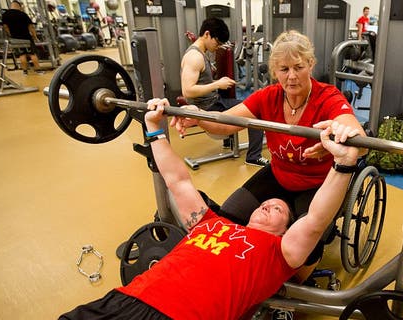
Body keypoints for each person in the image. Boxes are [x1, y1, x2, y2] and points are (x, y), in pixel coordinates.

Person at [59, 98, 361, 320]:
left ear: (285, 230)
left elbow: (317, 220)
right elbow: (177, 181)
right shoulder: (209, 222)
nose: (267, 205)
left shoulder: (279, 253)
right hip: (126, 299)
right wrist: (154, 129)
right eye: (267, 203)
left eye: (278, 210)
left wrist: (344, 164)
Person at [173, 30, 365, 262]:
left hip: (316, 183)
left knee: (310, 247)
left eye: (298, 67)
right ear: (275, 71)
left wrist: (344, 134)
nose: (292, 76)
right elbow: (224, 125)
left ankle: (294, 289)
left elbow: (359, 141)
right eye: (284, 69)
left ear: (311, 65)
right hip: (279, 174)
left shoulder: (327, 97)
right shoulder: (268, 96)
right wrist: (199, 116)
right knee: (228, 217)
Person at [181, 17, 268, 167]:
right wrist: (217, 85)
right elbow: (187, 91)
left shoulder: (201, 52)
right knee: (255, 111)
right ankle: (253, 156)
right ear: (207, 34)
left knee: (248, 104)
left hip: (214, 101)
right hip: (208, 107)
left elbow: (200, 83)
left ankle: (229, 140)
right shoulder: (194, 57)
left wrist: (217, 83)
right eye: (217, 42)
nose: (218, 46)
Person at [1, 0, 42, 74]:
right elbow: (31, 27)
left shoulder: (5, 15)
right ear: (19, 6)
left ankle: (25, 71)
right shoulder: (23, 14)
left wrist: (11, 34)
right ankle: (38, 70)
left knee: (21, 55)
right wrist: (35, 37)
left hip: (15, 38)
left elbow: (5, 27)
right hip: (26, 37)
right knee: (32, 54)